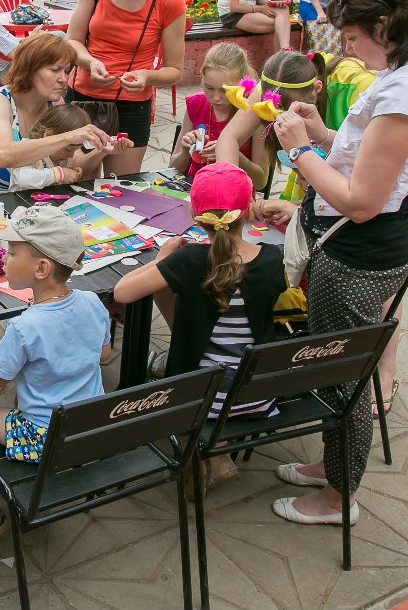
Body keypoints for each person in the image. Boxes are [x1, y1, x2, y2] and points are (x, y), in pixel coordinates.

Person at [258, 0, 408, 526]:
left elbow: (361, 200)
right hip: (365, 243)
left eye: (350, 37)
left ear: (385, 27)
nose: (345, 48)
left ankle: (338, 499)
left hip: (358, 251)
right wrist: (322, 132)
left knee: (342, 376)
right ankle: (331, 466)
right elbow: (365, 154)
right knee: (337, 368)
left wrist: (299, 151)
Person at [113, 162, 285, 489]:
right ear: (249, 211)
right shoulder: (272, 259)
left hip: (199, 401)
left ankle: (208, 452)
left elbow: (122, 292)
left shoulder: (189, 260)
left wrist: (162, 260)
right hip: (259, 395)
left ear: (194, 214)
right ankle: (218, 451)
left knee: (167, 288)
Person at [0, 204, 111, 535]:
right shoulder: (93, 302)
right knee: (22, 396)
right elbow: (103, 353)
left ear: (41, 269)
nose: (4, 257)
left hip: (45, 439)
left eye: (13, 253)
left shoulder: (25, 326)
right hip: (90, 428)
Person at [65, 0, 187, 175]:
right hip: (82, 98)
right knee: (76, 180)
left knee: (120, 187)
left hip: (130, 107)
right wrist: (90, 62)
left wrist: (147, 76)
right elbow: (73, 40)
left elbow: (175, 70)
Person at [0, 32, 124, 190]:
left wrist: (102, 151)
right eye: (55, 70)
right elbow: (4, 155)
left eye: (66, 71)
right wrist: (68, 136)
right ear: (29, 69)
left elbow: (75, 163)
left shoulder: (54, 103)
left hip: (35, 198)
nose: (64, 79)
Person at [214, 49, 328, 193]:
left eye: (295, 112)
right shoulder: (270, 89)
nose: (283, 121)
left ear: (317, 88)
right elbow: (229, 137)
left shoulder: (345, 97)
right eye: (272, 112)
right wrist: (229, 186)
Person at [170, 43, 255, 177]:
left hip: (234, 188)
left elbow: (261, 181)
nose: (215, 97)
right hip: (196, 185)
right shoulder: (196, 104)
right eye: (209, 88)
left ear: (242, 85)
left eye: (225, 90)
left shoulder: (252, 112)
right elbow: (173, 168)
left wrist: (230, 151)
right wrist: (185, 152)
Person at [7, 104, 91, 190]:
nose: (71, 156)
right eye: (68, 149)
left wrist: (67, 171)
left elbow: (48, 174)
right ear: (49, 135)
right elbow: (23, 179)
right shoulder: (29, 149)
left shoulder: (59, 158)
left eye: (75, 150)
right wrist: (60, 174)